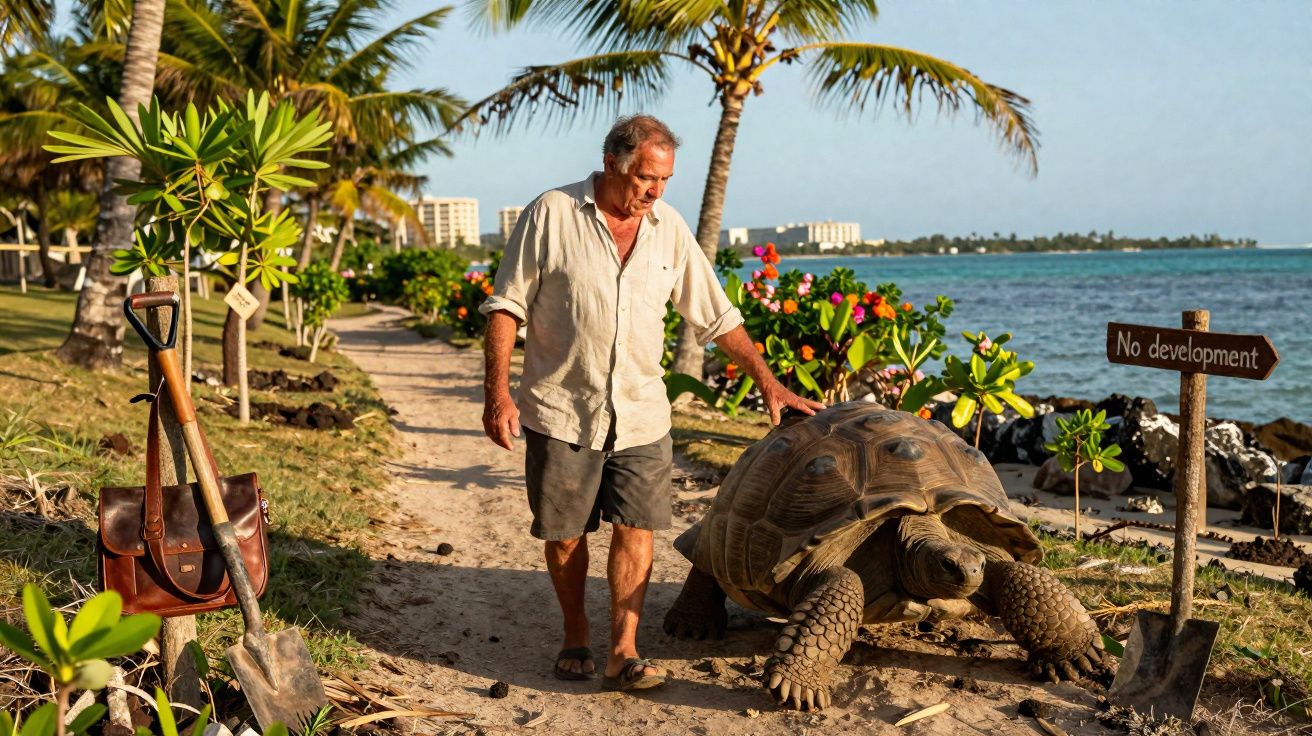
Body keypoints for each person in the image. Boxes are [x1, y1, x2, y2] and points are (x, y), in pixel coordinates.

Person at [480, 114, 824, 693]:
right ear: (611, 163)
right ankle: (575, 631)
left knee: (637, 528)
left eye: (664, 180)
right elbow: (506, 306)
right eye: (645, 177)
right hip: (562, 409)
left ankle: (623, 650)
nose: (655, 191)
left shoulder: (669, 228)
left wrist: (768, 381)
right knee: (564, 534)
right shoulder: (552, 214)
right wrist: (497, 394)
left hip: (642, 411)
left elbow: (717, 316)